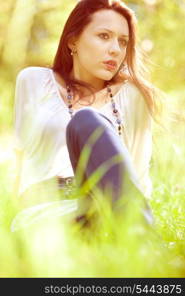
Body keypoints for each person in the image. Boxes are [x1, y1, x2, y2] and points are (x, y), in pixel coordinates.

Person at [14, 0, 161, 226]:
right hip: (43, 211)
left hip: (104, 206)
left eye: (123, 42)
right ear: (73, 40)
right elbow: (21, 157)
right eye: (104, 36)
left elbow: (138, 177)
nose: (115, 49)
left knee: (87, 120)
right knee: (85, 120)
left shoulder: (133, 97)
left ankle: (144, 243)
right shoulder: (34, 81)